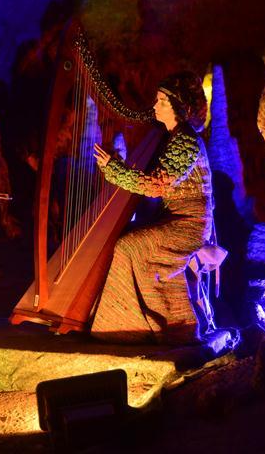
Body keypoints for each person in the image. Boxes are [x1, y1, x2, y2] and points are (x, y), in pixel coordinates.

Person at [90, 72, 213, 344]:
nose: (154, 106)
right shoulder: (173, 138)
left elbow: (155, 185)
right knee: (123, 238)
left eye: (161, 101)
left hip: (189, 226)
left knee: (128, 246)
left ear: (177, 107)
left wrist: (114, 169)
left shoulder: (184, 141)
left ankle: (134, 327)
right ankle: (156, 323)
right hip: (175, 219)